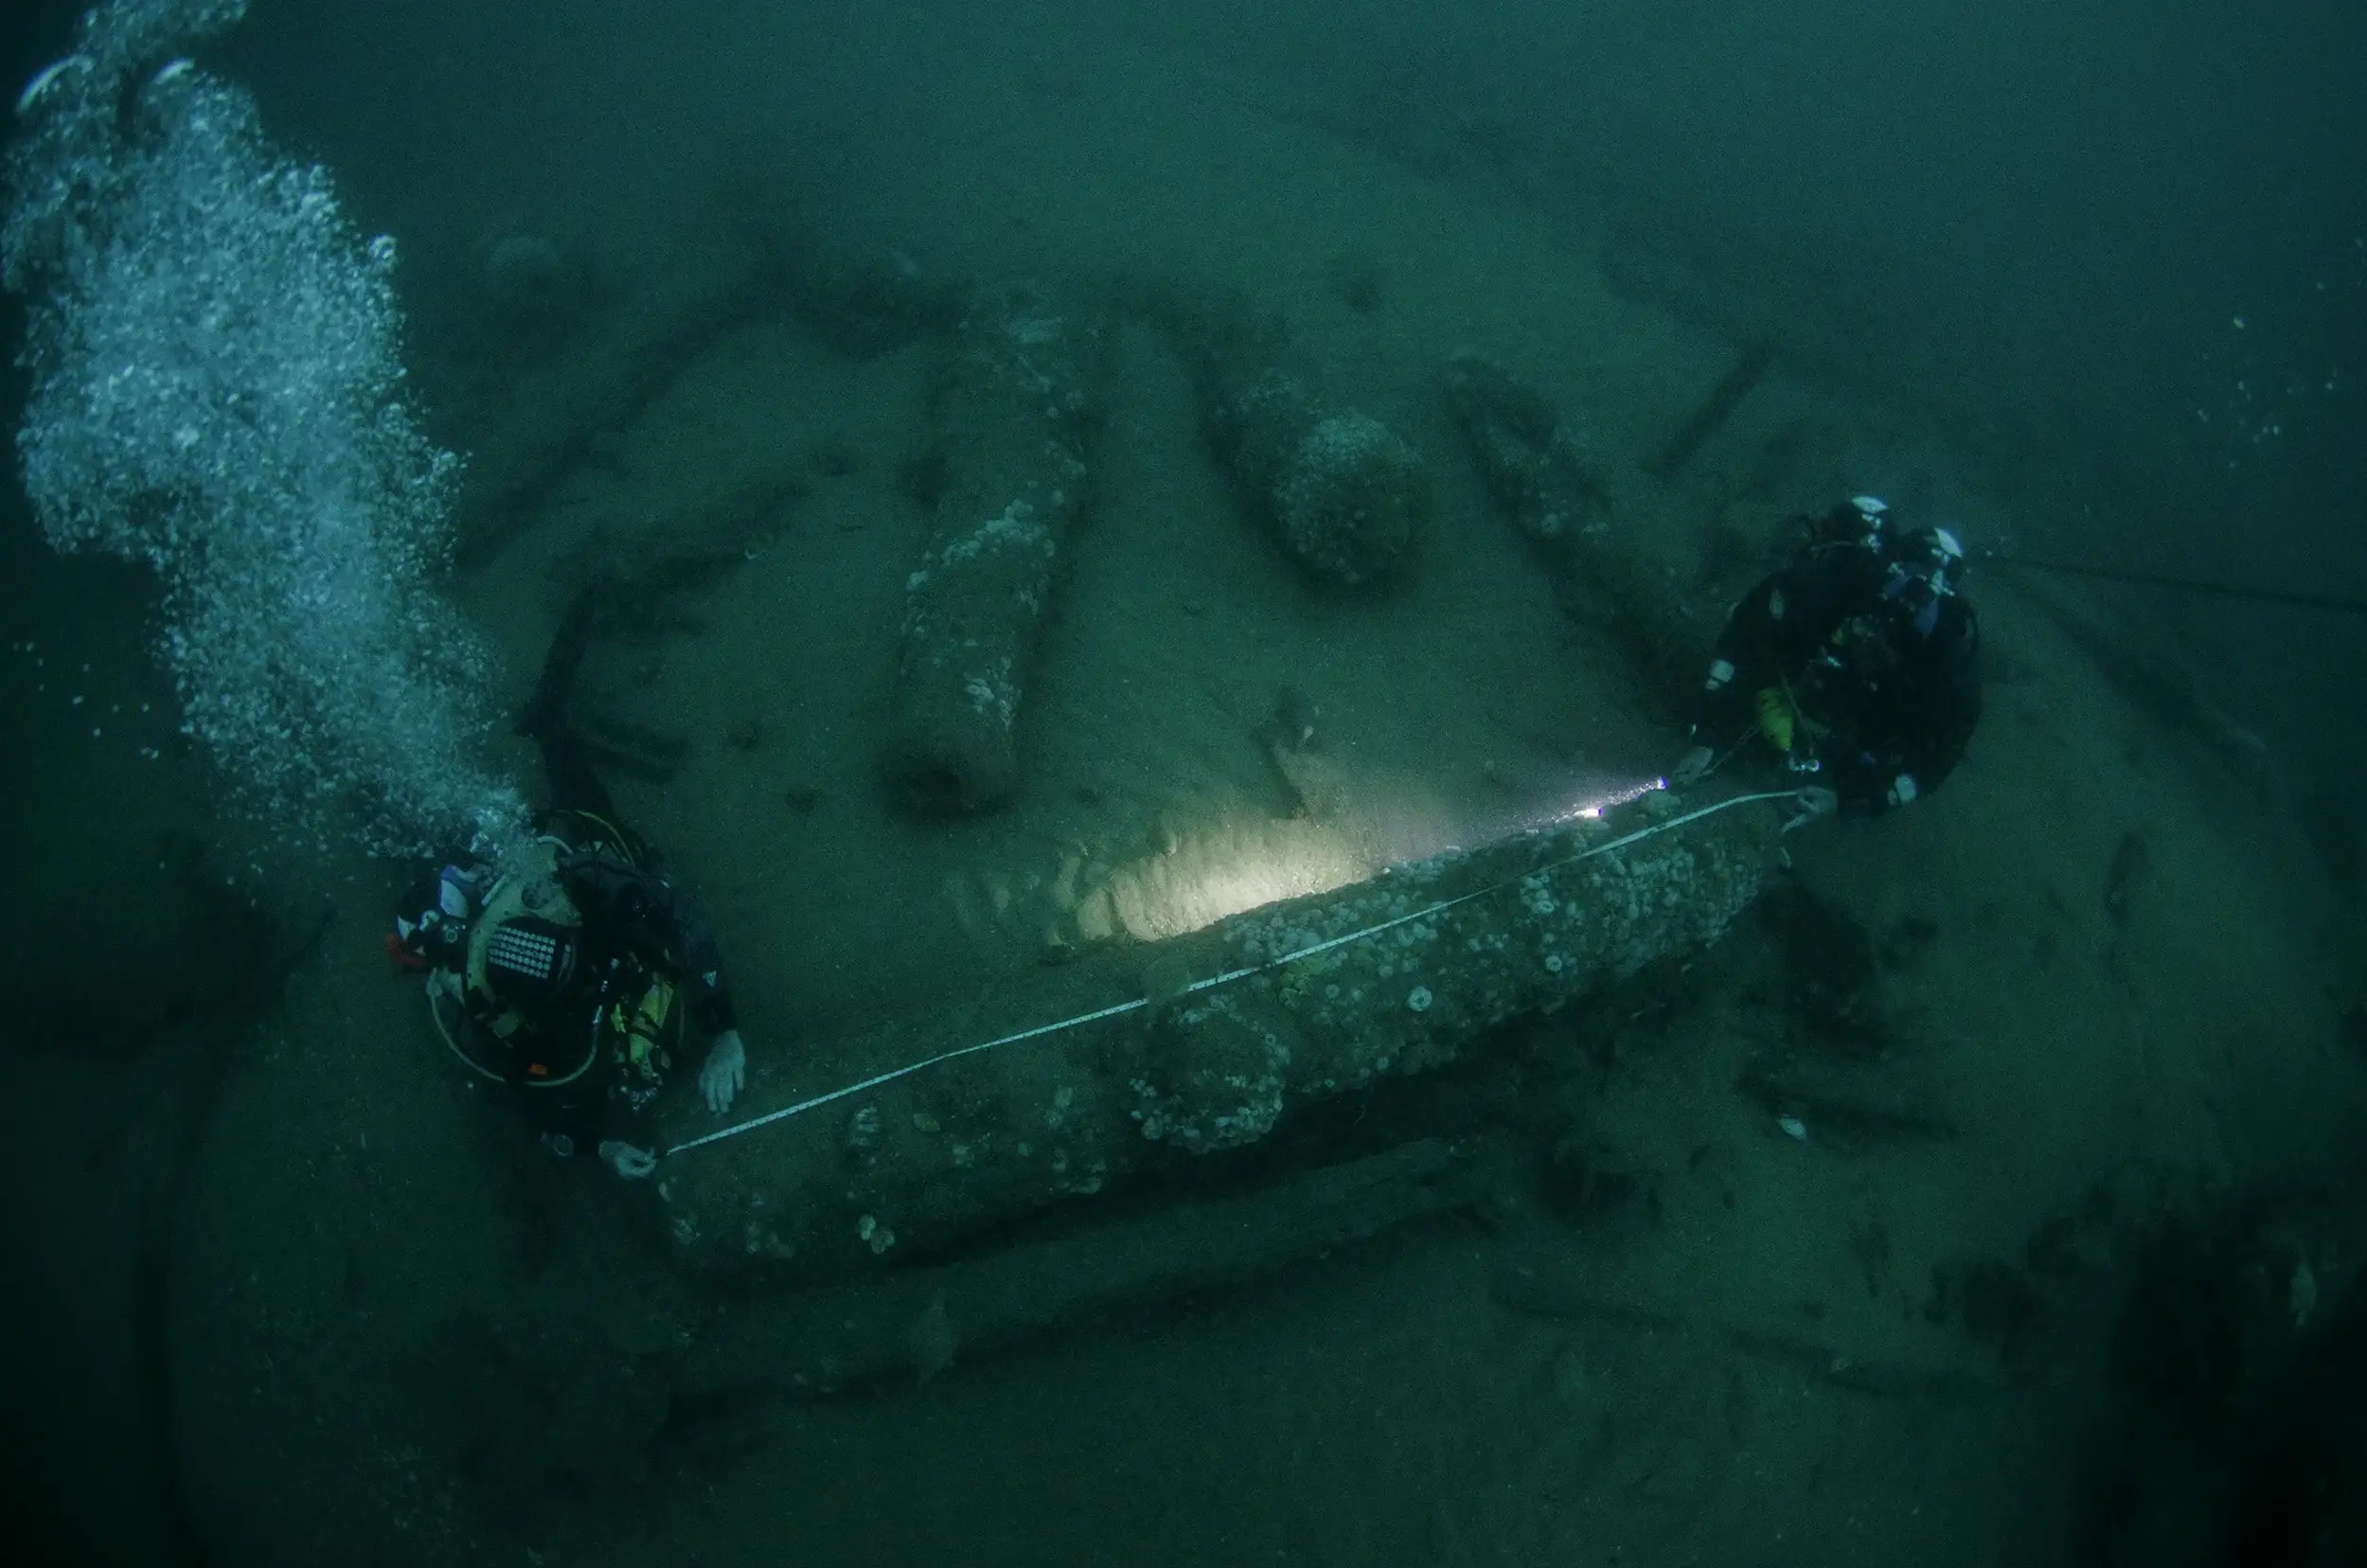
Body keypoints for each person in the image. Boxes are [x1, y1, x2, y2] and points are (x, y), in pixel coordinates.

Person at [387, 807, 748, 1180]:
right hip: (568, 1025)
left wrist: (725, 1032)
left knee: (609, 827)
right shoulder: (495, 1012)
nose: (582, 980)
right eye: (570, 985)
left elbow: (683, 918)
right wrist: (603, 1148)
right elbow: (533, 1106)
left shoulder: (574, 887)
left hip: (606, 925)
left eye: (577, 968)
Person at [1669, 495, 1980, 825]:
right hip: (1802, 693)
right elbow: (1744, 637)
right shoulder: (1834, 587)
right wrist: (1706, 736)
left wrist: (1842, 799)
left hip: (1854, 744)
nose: (1877, 634)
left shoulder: (1946, 678)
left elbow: (1928, 768)